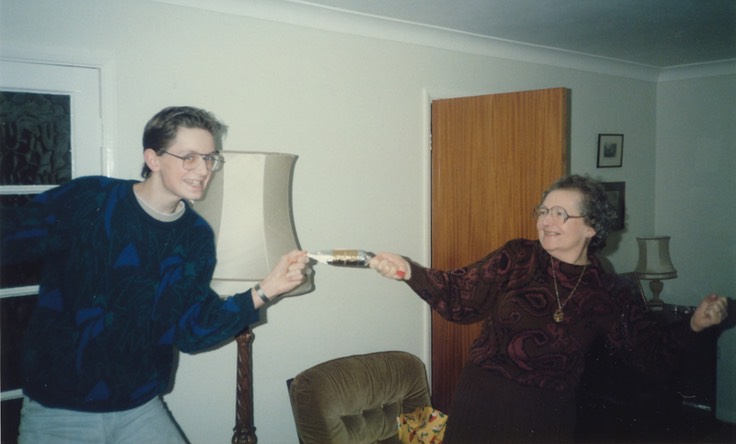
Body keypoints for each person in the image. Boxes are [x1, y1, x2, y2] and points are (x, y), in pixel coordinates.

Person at [1, 106, 310, 443]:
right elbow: (11, 236)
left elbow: (192, 330)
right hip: (59, 410)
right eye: (189, 157)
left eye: (210, 158)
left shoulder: (195, 236)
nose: (203, 169)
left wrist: (265, 290)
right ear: (153, 158)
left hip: (139, 407)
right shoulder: (91, 200)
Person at [370, 174, 728, 443]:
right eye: (543, 211)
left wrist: (695, 325)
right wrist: (409, 271)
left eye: (560, 214)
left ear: (591, 227)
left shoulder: (607, 289)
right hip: (482, 400)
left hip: (546, 416)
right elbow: (459, 298)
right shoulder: (518, 257)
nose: (546, 221)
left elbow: (649, 353)